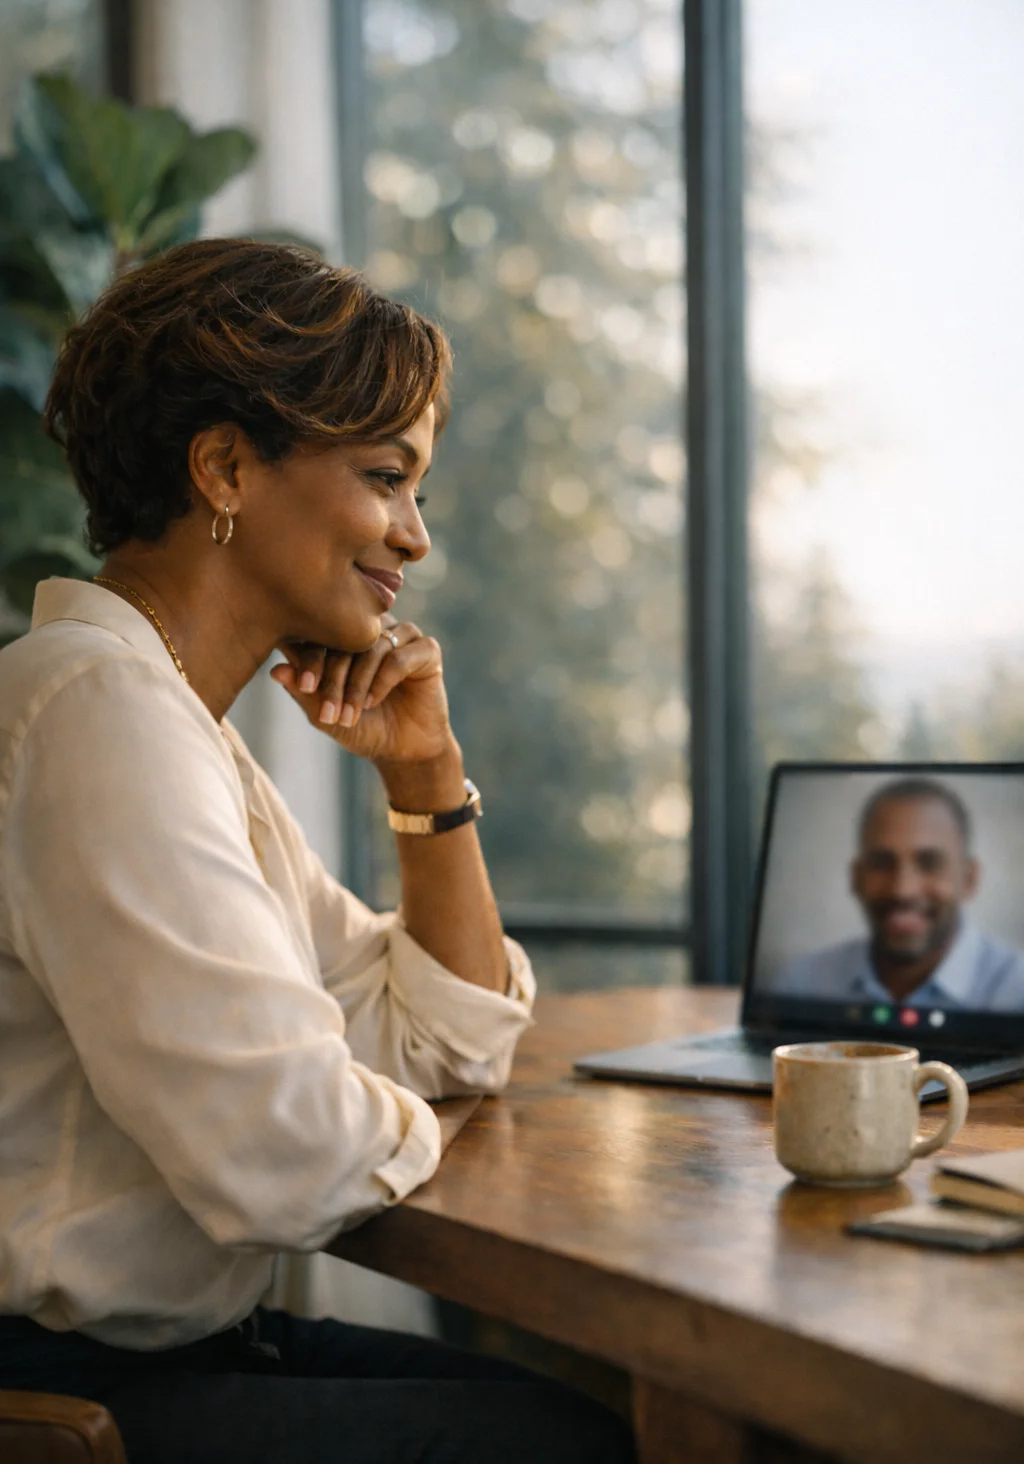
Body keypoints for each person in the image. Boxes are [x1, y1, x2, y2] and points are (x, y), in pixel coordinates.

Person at [0, 239, 634, 1464]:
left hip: (174, 1355)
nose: (416, 538)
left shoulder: (168, 724)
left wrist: (425, 781)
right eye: (388, 478)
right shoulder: (96, 715)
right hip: (62, 1393)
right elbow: (285, 1160)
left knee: (577, 1428)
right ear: (226, 467)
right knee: (568, 1449)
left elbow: (441, 1044)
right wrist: (396, 1119)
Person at [772, 776, 1024, 1009]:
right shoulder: (802, 983)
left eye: (929, 863)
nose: (902, 889)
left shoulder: (1016, 988)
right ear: (856, 878)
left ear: (969, 879)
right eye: (882, 862)